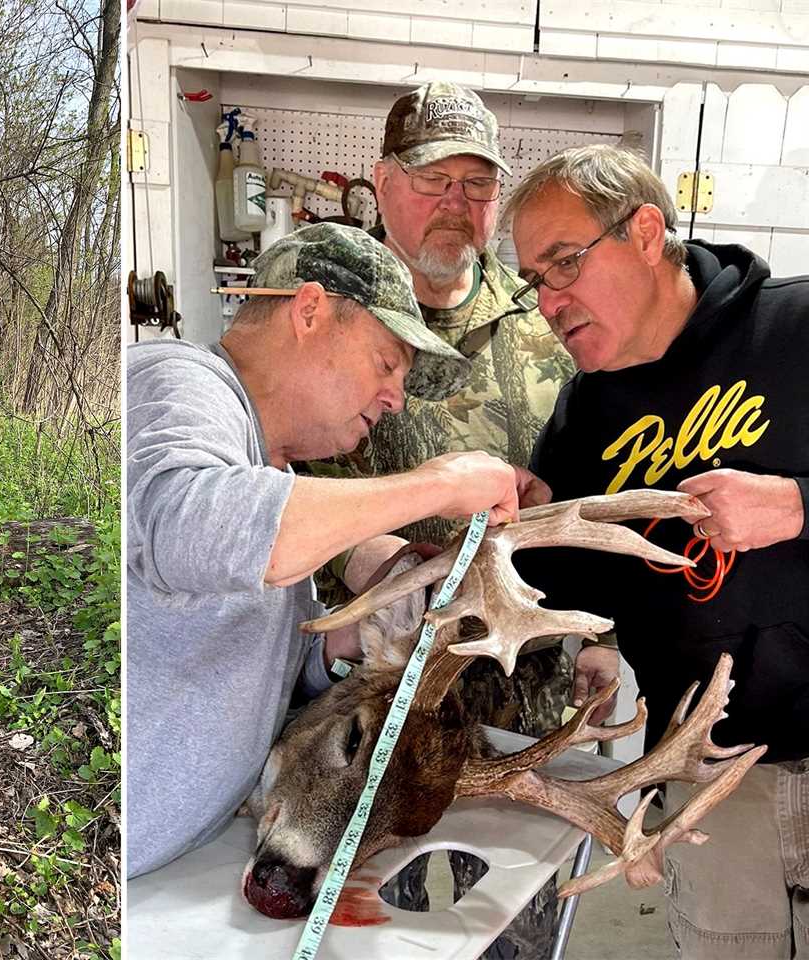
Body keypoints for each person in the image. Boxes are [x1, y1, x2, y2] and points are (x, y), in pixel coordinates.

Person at [126, 222, 537, 879]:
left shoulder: (273, 470)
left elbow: (250, 656)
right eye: (386, 363)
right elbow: (191, 524)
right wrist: (437, 485)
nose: (395, 398)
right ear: (310, 310)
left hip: (182, 863)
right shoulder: (178, 382)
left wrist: (343, 643)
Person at [507, 143, 809, 959]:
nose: (548, 301)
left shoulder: (796, 328)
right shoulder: (585, 409)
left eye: (563, 263)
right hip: (704, 776)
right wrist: (529, 527)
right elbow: (573, 583)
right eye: (534, 281)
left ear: (645, 231)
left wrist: (797, 506)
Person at [308, 81, 577, 955]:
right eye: (433, 181)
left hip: (521, 713)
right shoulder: (322, 315)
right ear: (383, 182)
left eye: (477, 184)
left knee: (509, 930)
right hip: (364, 718)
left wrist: (606, 636)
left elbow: (592, 494)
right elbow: (281, 500)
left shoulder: (554, 324)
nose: (456, 206)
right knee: (363, 933)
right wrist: (378, 565)